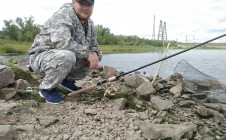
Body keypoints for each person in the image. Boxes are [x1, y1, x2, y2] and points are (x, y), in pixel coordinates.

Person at [28, 0, 102, 104]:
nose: (85, 7)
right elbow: (62, 42)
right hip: (40, 56)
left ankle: (66, 81)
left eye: (89, 4)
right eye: (81, 3)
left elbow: (94, 45)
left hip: (60, 57)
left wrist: (95, 53)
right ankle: (46, 89)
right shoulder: (63, 14)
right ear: (73, 2)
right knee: (67, 56)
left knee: (94, 56)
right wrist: (87, 54)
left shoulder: (90, 23)